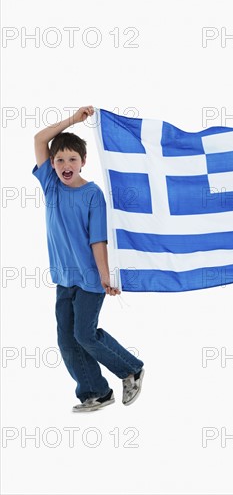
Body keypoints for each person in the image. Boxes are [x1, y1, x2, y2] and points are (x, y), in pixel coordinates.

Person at [33, 105, 145, 412]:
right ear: (52, 165)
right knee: (67, 341)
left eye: (72, 159)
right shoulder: (51, 186)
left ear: (83, 162)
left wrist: (105, 276)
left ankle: (130, 368)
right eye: (59, 160)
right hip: (64, 279)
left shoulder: (93, 194)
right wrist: (73, 121)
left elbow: (98, 240)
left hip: (90, 279)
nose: (65, 164)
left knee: (85, 334)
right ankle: (96, 391)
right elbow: (40, 139)